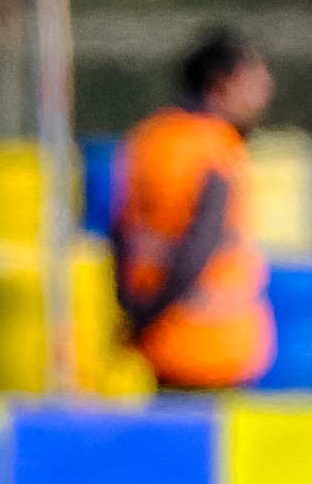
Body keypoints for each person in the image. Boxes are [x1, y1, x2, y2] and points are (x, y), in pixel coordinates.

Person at [112, 27, 276, 389]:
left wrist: (134, 318)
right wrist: (151, 314)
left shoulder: (146, 139)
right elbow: (200, 246)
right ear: (220, 85)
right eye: (253, 82)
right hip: (213, 347)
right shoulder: (216, 148)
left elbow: (121, 235)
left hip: (154, 348)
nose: (265, 92)